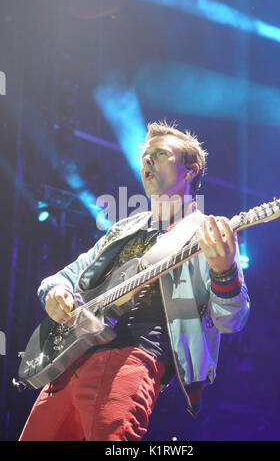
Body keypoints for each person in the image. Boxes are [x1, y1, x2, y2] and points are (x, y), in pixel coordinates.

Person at [19, 120, 250, 441]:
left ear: (189, 171)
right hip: (70, 359)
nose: (147, 161)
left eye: (159, 154)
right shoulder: (121, 229)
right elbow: (65, 275)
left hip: (130, 356)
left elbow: (232, 319)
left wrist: (225, 271)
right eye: (145, 156)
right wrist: (56, 292)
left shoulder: (206, 233)